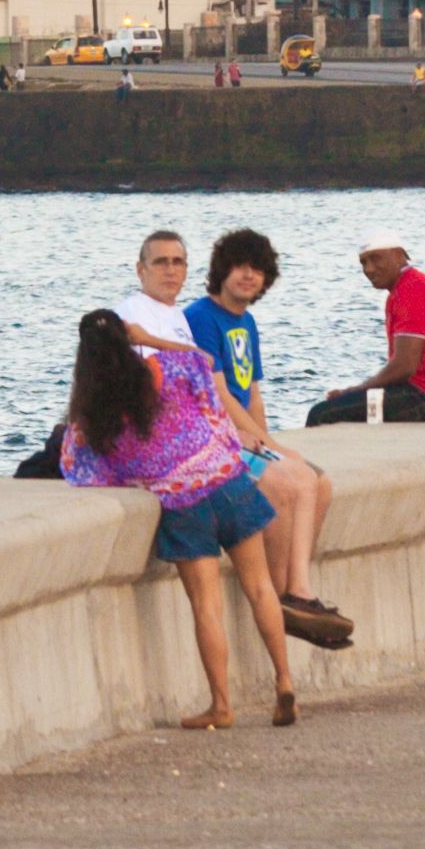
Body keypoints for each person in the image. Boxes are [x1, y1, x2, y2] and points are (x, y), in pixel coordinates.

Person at [55, 308, 296, 727]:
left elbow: (78, 467)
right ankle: (285, 682)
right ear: (126, 339)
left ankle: (221, 706)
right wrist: (150, 338)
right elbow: (203, 360)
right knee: (260, 589)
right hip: (227, 484)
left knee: (206, 607)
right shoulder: (166, 367)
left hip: (183, 507)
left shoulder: (93, 413)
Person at [182, 227, 355, 646]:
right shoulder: (200, 318)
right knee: (286, 480)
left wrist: (269, 439)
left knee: (319, 480)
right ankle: (285, 596)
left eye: (257, 270)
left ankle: (299, 591)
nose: (248, 276)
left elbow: (252, 390)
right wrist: (257, 438)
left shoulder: (247, 323)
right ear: (222, 270)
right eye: (240, 267)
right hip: (216, 440)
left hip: (247, 435)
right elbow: (219, 391)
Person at [304, 231, 425, 426]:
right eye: (363, 263)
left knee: (322, 414)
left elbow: (404, 366)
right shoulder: (406, 287)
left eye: (375, 259)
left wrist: (354, 391)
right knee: (344, 406)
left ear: (400, 255)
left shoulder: (411, 289)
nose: (369, 269)